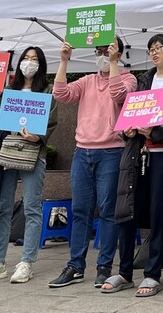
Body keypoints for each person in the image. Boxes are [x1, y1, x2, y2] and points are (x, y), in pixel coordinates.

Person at [105, 34, 163, 298]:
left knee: (159, 214)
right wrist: (130, 132)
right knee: (127, 212)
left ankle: (152, 274)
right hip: (137, 155)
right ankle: (124, 272)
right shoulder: (144, 80)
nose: (154, 53)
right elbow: (128, 117)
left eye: (159, 49)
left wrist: (156, 132)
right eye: (151, 49)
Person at [49, 37, 135, 288]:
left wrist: (114, 62)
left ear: (118, 53)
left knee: (108, 211)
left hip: (111, 151)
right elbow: (61, 93)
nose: (102, 55)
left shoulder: (128, 79)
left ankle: (104, 266)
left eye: (107, 50)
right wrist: (64, 61)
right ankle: (76, 266)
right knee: (80, 211)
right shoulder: (87, 81)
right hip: (82, 151)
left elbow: (118, 93)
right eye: (98, 51)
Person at [0, 47, 58, 284]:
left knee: (32, 207)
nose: (28, 63)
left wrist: (37, 137)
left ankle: (26, 262)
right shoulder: (9, 90)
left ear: (41, 65)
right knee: (2, 207)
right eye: (25, 59)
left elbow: (51, 125)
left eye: (34, 60)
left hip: (33, 154)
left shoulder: (47, 92)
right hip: (7, 151)